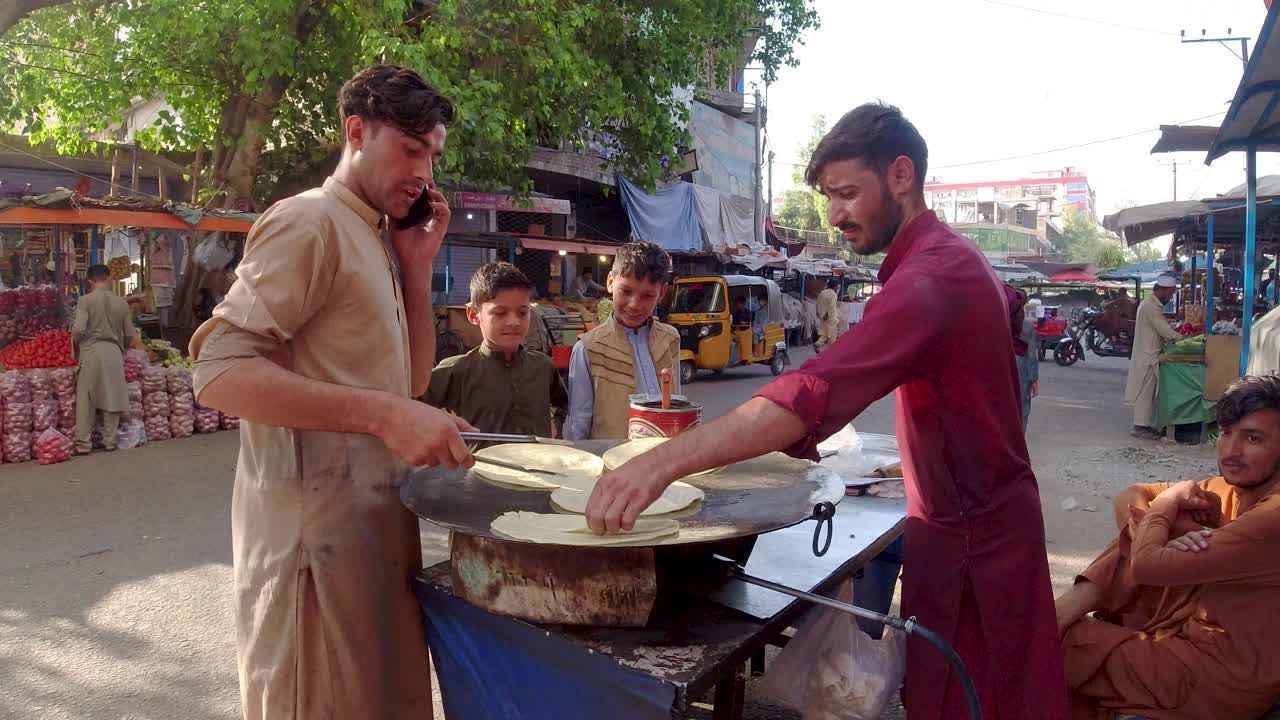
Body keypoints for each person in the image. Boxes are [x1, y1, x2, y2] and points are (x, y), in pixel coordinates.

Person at [584, 103, 1068, 720]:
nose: (835, 214)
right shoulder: (955, 259)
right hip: (966, 522)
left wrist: (659, 466)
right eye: (829, 197)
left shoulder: (933, 279)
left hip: (977, 542)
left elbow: (809, 391)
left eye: (846, 194)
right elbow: (1010, 310)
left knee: (975, 701)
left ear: (900, 175)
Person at [189, 65, 475, 720]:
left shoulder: (375, 238)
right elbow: (219, 371)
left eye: (431, 154)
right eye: (409, 149)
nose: (424, 172)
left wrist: (415, 268)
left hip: (371, 536)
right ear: (356, 132)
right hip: (308, 560)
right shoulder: (308, 223)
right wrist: (384, 414)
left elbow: (407, 384)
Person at [1057, 375, 1280, 720]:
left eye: (1253, 438)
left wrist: (1169, 505)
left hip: (1213, 679)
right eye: (1225, 433)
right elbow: (1130, 495)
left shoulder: (1273, 514)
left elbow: (1146, 566)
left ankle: (1061, 613)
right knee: (1159, 524)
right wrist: (1167, 524)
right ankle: (1062, 614)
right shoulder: (1229, 490)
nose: (1231, 452)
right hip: (1181, 642)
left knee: (1052, 642)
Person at [425, 262, 567, 443]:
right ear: (473, 314)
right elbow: (413, 407)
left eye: (522, 313)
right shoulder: (456, 370)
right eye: (500, 313)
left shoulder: (543, 366)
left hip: (539, 469)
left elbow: (562, 403)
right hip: (478, 469)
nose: (514, 322)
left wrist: (556, 426)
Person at [565, 241, 679, 440]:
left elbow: (677, 403)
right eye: (626, 291)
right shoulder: (588, 348)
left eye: (647, 295)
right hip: (613, 463)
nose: (635, 305)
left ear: (661, 293)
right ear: (610, 282)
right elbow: (578, 425)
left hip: (663, 459)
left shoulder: (670, 338)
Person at [71, 264, 134, 455]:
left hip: (90, 351)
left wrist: (76, 344)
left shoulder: (85, 301)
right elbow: (130, 333)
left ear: (90, 281)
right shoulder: (121, 303)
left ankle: (83, 444)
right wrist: (121, 347)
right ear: (109, 278)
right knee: (112, 396)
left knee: (86, 398)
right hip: (114, 352)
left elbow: (79, 329)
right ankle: (109, 441)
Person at [1125, 275, 1183, 440]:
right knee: (1144, 392)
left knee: (1148, 393)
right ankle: (1139, 426)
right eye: (1170, 294)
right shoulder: (1150, 307)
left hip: (1150, 354)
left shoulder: (1152, 305)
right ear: (1163, 291)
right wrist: (1182, 339)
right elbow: (1165, 331)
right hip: (1147, 356)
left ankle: (1143, 424)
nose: (1170, 297)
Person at [1018, 298, 1041, 431]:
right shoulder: (1027, 326)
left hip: (1001, 371)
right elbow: (1031, 355)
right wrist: (1033, 379)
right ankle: (1019, 437)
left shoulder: (997, 325)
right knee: (1022, 407)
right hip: (1021, 371)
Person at [814, 279, 839, 351]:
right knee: (831, 333)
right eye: (837, 287)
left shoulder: (822, 292)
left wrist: (819, 313)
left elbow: (817, 303)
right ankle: (831, 350)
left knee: (825, 332)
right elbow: (831, 306)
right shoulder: (833, 294)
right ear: (835, 286)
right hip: (830, 317)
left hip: (822, 316)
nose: (837, 288)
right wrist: (827, 314)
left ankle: (819, 343)